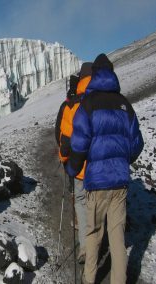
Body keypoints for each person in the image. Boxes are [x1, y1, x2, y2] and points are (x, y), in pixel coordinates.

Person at [66, 54, 144, 284]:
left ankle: (89, 279)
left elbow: (79, 144)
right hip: (119, 182)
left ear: (94, 76)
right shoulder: (124, 104)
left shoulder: (87, 105)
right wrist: (123, 160)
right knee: (117, 236)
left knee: (93, 234)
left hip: (97, 182)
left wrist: (73, 168)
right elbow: (137, 142)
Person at [54, 62, 93, 264]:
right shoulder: (100, 99)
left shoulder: (71, 104)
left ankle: (86, 247)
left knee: (79, 198)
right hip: (99, 166)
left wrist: (63, 156)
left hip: (78, 164)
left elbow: (63, 134)